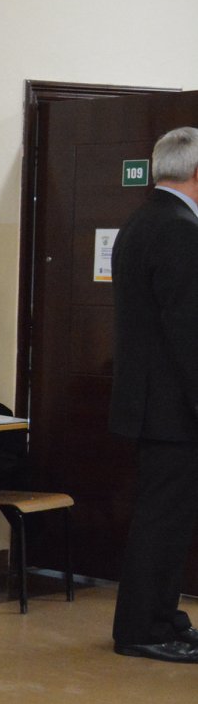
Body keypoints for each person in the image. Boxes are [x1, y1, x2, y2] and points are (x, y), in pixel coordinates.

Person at [107, 125, 198, 664]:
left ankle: (162, 619)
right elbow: (188, 332)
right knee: (163, 522)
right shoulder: (181, 230)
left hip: (152, 402)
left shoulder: (142, 221)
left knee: (164, 519)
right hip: (172, 407)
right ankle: (143, 629)